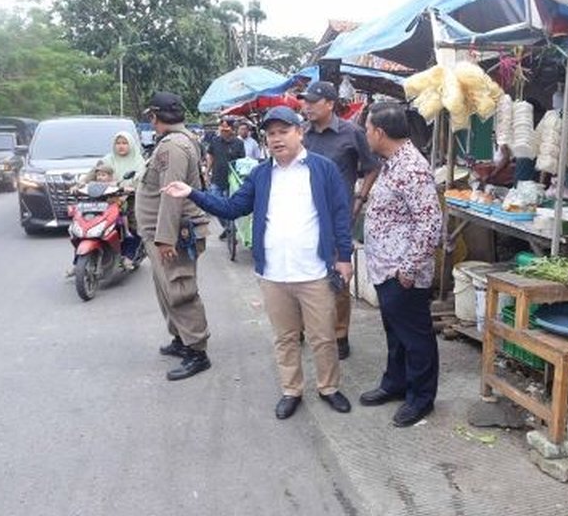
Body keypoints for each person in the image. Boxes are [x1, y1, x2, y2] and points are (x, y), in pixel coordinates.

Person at [163, 106, 355, 420]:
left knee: (323, 337)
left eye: (283, 131)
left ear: (299, 132)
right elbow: (231, 207)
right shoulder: (262, 174)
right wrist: (192, 193)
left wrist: (344, 258)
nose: (276, 138)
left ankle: (329, 387)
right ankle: (291, 390)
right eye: (271, 133)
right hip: (274, 275)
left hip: (315, 272)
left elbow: (339, 215)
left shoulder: (323, 169)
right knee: (285, 338)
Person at [359, 102, 444, 427]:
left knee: (415, 336)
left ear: (379, 132)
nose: (366, 134)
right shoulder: (392, 162)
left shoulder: (412, 167)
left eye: (367, 129)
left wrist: (408, 269)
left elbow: (429, 223)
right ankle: (395, 383)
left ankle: (421, 398)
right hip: (387, 268)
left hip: (403, 272)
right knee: (394, 332)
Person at [135, 91, 213, 382]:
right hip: (161, 233)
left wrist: (165, 238)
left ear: (155, 117)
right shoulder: (176, 142)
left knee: (180, 291)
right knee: (167, 289)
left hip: (173, 234)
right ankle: (182, 339)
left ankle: (197, 351)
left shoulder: (174, 146)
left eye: (151, 117)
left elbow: (172, 195)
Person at [301, 80, 380, 360]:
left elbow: (372, 167)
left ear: (330, 104)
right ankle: (303, 326)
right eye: (305, 102)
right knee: (304, 272)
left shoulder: (352, 133)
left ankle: (340, 334)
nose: (306, 106)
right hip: (304, 217)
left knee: (338, 276)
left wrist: (360, 199)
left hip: (338, 217)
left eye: (312, 102)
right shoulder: (303, 135)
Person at [101, 131, 146, 269]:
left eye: (125, 143)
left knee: (133, 227)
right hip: (109, 198)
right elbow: (93, 173)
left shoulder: (138, 161)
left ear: (131, 145)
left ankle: (129, 255)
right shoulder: (107, 159)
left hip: (132, 198)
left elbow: (142, 179)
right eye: (118, 143)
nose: (121, 146)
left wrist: (132, 188)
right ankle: (79, 261)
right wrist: (80, 183)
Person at [203, 118, 245, 240]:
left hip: (232, 180)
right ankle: (227, 227)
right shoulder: (215, 141)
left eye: (226, 130)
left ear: (232, 130)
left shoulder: (238, 143)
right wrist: (207, 172)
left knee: (228, 206)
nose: (223, 132)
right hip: (217, 178)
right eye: (221, 129)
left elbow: (242, 162)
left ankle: (229, 227)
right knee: (216, 205)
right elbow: (210, 157)